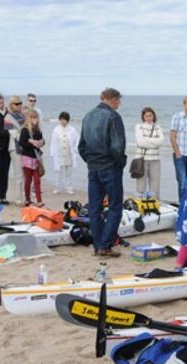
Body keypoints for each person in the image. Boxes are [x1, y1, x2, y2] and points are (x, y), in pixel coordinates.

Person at [78, 87, 127, 258]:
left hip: (94, 167)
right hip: (109, 167)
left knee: (94, 208)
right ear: (113, 99)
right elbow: (117, 146)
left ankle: (98, 245)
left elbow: (81, 147)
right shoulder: (113, 117)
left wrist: (91, 161)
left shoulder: (88, 116)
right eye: (118, 100)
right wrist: (120, 162)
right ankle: (104, 245)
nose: (119, 103)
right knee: (115, 207)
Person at [134, 107, 163, 198]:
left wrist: (147, 140)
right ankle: (140, 200)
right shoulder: (139, 126)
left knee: (155, 183)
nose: (149, 117)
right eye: (146, 116)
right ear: (143, 117)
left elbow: (161, 141)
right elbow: (140, 142)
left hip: (155, 159)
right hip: (141, 158)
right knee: (141, 182)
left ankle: (152, 200)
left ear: (153, 116)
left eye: (150, 115)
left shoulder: (158, 127)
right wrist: (154, 141)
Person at [19, 109, 45, 206]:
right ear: (29, 119)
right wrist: (32, 143)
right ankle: (27, 199)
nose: (36, 120)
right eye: (34, 118)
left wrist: (40, 143)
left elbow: (42, 140)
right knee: (28, 180)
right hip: (27, 158)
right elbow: (22, 143)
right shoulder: (25, 130)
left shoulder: (38, 130)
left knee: (37, 180)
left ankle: (39, 200)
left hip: (36, 158)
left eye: (36, 118)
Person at [50, 111, 79, 195]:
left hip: (69, 154)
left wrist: (76, 149)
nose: (63, 121)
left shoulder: (72, 130)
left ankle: (69, 188)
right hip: (59, 154)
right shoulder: (56, 129)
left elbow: (77, 140)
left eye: (64, 120)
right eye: (61, 119)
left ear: (67, 120)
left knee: (69, 172)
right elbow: (53, 142)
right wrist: (52, 153)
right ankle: (57, 188)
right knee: (58, 172)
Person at [4, 96, 26, 204]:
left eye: (20, 103)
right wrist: (26, 139)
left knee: (26, 174)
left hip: (26, 148)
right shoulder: (8, 117)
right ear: (11, 105)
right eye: (17, 104)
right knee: (19, 174)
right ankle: (18, 198)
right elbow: (14, 133)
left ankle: (26, 197)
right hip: (15, 147)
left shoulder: (23, 115)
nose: (19, 105)